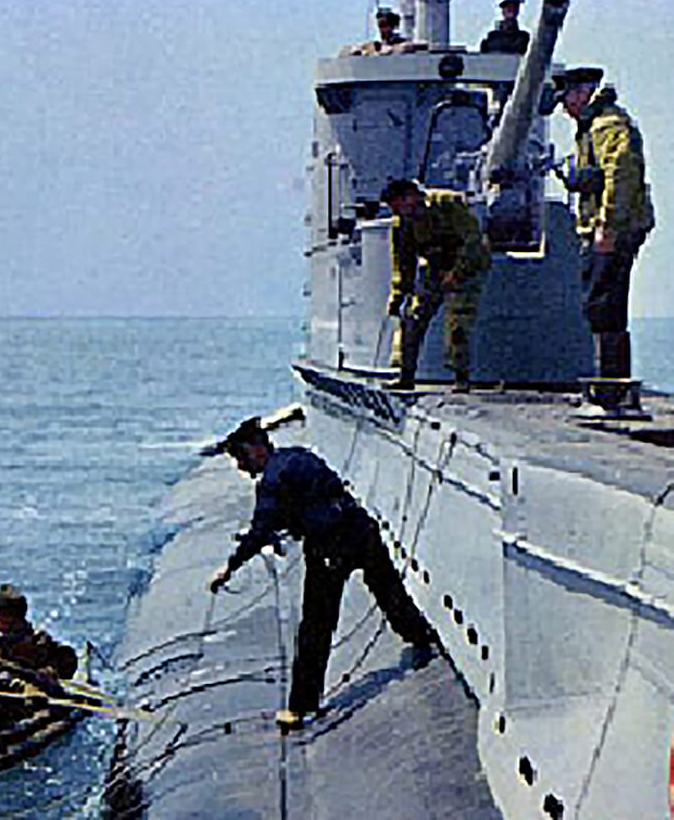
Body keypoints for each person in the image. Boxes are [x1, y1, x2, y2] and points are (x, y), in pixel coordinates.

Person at [207, 419, 435, 731]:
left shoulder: (271, 480)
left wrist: (228, 569)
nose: (241, 467)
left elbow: (262, 528)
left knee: (316, 625)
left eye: (241, 459)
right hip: (361, 528)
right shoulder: (297, 456)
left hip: (330, 546)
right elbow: (312, 499)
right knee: (388, 591)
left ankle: (300, 707)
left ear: (256, 450)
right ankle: (420, 636)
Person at [553, 66, 655, 384]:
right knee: (601, 302)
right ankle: (609, 378)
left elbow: (620, 177)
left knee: (605, 302)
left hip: (614, 229)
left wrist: (607, 228)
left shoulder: (608, 127)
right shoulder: (592, 127)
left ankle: (611, 383)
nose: (564, 107)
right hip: (604, 227)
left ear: (583, 93)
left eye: (567, 98)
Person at [379, 179, 491, 391]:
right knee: (413, 319)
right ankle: (406, 376)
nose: (397, 212)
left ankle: (461, 377)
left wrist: (457, 273)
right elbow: (403, 262)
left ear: (409, 197)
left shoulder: (448, 204)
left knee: (458, 323)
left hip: (467, 266)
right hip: (436, 268)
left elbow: (473, 241)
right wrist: (399, 295)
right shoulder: (403, 223)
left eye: (397, 205)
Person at [0, 584, 80, 687]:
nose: (8, 624)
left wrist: (49, 670)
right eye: (5, 618)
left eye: (13, 620)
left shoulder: (38, 643)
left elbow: (67, 660)